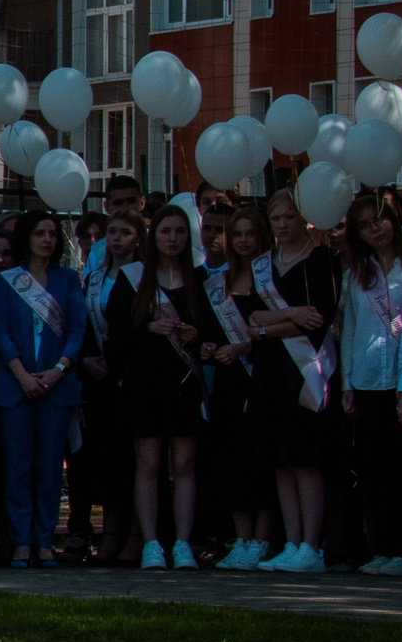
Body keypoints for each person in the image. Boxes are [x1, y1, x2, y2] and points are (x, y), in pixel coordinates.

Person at [111, 204, 211, 569]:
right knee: (148, 463)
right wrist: (148, 329)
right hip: (145, 381)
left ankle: (183, 542)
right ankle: (151, 543)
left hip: (183, 382)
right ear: (154, 237)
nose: (173, 238)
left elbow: (212, 332)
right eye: (166, 231)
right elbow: (116, 333)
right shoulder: (134, 278)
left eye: (180, 232)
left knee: (184, 463)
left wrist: (194, 334)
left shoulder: (199, 280)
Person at [0, 210, 86, 569]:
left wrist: (59, 369)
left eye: (51, 233)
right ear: (26, 239)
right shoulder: (8, 280)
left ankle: (46, 540)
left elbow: (77, 329)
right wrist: (22, 374)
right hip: (15, 387)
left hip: (56, 386)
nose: (47, 239)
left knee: (49, 468)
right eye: (39, 233)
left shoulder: (68, 279)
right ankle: (21, 541)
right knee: (17, 466)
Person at [249, 195, 339, 574]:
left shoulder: (323, 262)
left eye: (290, 217)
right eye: (276, 218)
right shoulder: (263, 266)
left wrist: (270, 327)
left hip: (307, 371)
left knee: (305, 458)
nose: (283, 225)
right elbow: (252, 316)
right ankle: (292, 540)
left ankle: (311, 545)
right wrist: (286, 316)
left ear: (304, 220)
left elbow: (316, 318)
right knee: (280, 461)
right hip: (272, 370)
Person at [340, 192, 402, 575]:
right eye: (366, 224)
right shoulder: (356, 273)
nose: (375, 229)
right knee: (374, 470)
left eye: (380, 220)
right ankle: (381, 546)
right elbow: (350, 327)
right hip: (368, 382)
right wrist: (347, 382)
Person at [203, 206, 278, 568]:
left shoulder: (271, 278)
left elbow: (278, 333)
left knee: (259, 459)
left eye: (250, 234)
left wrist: (245, 346)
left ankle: (261, 539)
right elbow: (210, 331)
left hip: (262, 376)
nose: (244, 241)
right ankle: (242, 538)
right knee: (231, 458)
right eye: (238, 235)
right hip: (229, 381)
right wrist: (208, 347)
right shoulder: (219, 283)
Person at [73, 211, 145, 565]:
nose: (116, 239)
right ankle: (110, 532)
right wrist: (88, 360)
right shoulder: (95, 278)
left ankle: (134, 536)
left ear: (137, 238)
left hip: (132, 379)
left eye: (124, 232)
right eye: (112, 232)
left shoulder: (144, 277)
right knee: (108, 462)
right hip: (101, 382)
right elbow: (85, 326)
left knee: (134, 462)